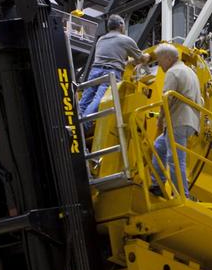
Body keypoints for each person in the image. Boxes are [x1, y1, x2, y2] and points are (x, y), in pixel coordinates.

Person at [151, 43, 201, 197]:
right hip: (190, 121)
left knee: (175, 159)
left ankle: (181, 194)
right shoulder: (190, 72)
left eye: (160, 61)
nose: (159, 65)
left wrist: (160, 120)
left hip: (178, 120)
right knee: (159, 146)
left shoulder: (173, 72)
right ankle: (157, 184)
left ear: (168, 58)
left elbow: (167, 98)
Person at [79, 14, 142, 119]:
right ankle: (85, 124)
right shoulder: (125, 40)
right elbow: (141, 59)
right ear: (121, 25)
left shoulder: (101, 40)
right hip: (110, 73)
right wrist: (149, 56)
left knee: (85, 99)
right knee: (100, 99)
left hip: (95, 71)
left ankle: (75, 124)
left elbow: (109, 56)